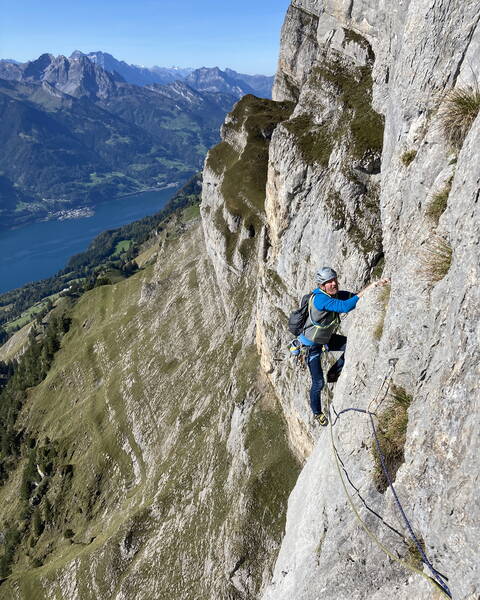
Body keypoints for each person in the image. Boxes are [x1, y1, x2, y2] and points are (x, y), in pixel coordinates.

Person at [298, 267, 389, 426]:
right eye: (329, 282)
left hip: (325, 339)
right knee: (318, 383)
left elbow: (353, 298)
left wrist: (378, 287)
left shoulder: (333, 294)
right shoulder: (320, 299)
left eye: (334, 280)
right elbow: (345, 307)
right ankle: (317, 412)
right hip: (311, 346)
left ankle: (333, 373)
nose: (334, 283)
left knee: (350, 345)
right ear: (322, 285)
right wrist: (370, 286)